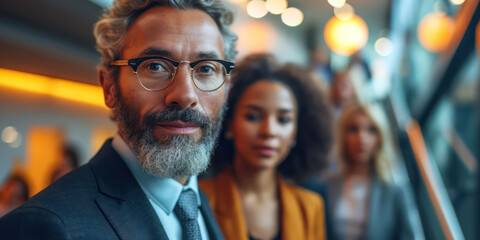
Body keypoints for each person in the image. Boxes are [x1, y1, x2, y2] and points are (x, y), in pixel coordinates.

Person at [0, 0, 237, 239]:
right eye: (155, 66)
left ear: (226, 89)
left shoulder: (203, 203)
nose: (185, 95)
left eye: (206, 69)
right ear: (110, 87)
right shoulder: (45, 226)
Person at [199, 54, 333, 240]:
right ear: (228, 124)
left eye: (283, 120)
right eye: (253, 117)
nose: (269, 131)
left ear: (296, 132)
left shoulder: (310, 207)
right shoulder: (199, 199)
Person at [325, 104, 424, 240]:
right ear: (343, 136)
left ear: (380, 137)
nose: (361, 138)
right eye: (353, 129)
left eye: (371, 130)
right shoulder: (328, 185)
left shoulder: (395, 191)